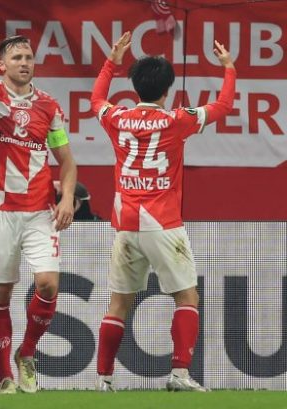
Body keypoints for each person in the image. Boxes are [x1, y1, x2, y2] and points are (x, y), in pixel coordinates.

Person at [90, 32, 235, 392]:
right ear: (167, 89)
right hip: (163, 222)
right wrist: (229, 68)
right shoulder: (176, 120)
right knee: (187, 297)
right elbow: (223, 106)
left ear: (135, 86)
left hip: (126, 224)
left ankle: (103, 380)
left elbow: (96, 100)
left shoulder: (117, 118)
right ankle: (179, 375)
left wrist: (111, 62)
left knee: (118, 303)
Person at [0, 35, 78, 394]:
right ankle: (4, 375)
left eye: (28, 57)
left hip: (39, 208)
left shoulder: (48, 106)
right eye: (16, 57)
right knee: (0, 293)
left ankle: (27, 352)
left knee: (48, 284)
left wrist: (67, 198)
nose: (24, 63)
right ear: (1, 65)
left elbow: (66, 161)